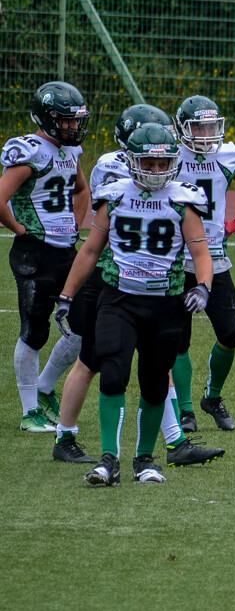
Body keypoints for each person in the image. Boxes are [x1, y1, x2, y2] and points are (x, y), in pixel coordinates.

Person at [53, 104, 225, 467]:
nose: (157, 170)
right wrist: (67, 294)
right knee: (96, 361)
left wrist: (204, 286)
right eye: (149, 162)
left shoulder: (182, 197)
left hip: (157, 294)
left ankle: (170, 443)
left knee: (153, 370)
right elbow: (91, 249)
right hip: (109, 282)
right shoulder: (114, 186)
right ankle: (67, 435)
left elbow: (200, 252)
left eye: (164, 162)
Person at [171, 95, 235, 432]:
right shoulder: (169, 156)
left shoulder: (226, 156)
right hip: (176, 261)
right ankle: (185, 410)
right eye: (199, 126)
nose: (205, 133)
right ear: (183, 128)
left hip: (214, 260)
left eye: (211, 126)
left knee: (231, 333)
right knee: (178, 339)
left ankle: (212, 396)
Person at [0, 81, 90, 433]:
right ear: (47, 118)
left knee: (85, 323)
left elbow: (82, 190)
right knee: (34, 330)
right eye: (67, 121)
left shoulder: (71, 152)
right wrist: (18, 229)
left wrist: (74, 224)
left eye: (75, 121)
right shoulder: (31, 151)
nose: (73, 127)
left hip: (65, 250)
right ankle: (29, 411)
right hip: (34, 252)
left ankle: (44, 385)